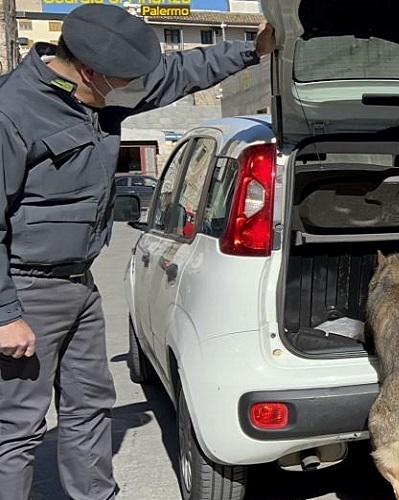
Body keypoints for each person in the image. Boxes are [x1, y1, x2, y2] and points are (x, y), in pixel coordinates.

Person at [0, 4, 275, 499]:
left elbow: (178, 73)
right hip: (25, 288)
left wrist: (251, 51)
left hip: (78, 284)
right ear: (89, 71)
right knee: (17, 425)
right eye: (126, 80)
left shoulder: (100, 93)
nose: (136, 89)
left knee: (90, 403)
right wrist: (4, 314)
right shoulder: (11, 112)